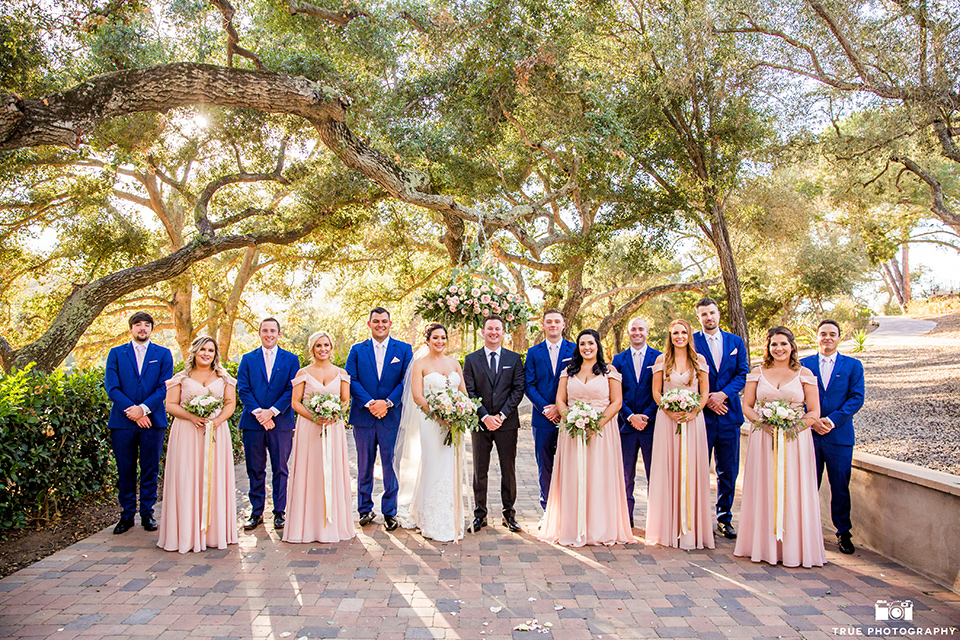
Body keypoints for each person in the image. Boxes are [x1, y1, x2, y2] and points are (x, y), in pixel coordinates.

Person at [735, 327, 825, 567]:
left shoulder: (805, 373)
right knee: (764, 486)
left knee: (793, 488)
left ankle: (793, 547)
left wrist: (793, 428)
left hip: (795, 440)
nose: (779, 349)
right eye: (774, 344)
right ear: (768, 347)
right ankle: (763, 546)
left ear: (792, 346)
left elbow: (814, 411)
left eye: (783, 344)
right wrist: (762, 424)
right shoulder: (757, 372)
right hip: (763, 438)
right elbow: (747, 406)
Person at [538, 329, 634, 547]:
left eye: (591, 343)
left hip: (602, 432)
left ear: (597, 345)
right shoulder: (568, 371)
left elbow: (617, 402)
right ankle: (572, 525)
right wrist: (571, 419)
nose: (587, 347)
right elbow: (560, 401)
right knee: (574, 476)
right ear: (577, 347)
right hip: (572, 432)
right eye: (582, 344)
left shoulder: (610, 371)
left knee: (599, 476)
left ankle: (600, 528)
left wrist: (595, 425)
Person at [158, 337, 238, 553]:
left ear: (215, 354)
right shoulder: (181, 378)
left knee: (214, 477)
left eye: (210, 350)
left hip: (215, 433)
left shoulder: (224, 378)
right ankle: (186, 533)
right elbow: (170, 405)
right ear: (194, 351)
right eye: (202, 349)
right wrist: (191, 417)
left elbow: (230, 404)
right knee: (186, 477)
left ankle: (213, 532)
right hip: (186, 433)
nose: (206, 353)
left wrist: (216, 422)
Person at [395, 323, 469, 541]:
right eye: (435, 338)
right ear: (427, 340)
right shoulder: (420, 364)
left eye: (443, 338)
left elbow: (463, 392)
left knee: (449, 468)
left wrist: (459, 412)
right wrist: (439, 416)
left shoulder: (455, 363)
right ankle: (429, 518)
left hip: (453, 424)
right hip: (431, 422)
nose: (440, 341)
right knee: (433, 465)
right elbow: (417, 396)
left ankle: (450, 516)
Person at [645, 318, 714, 550]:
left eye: (683, 332)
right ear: (670, 336)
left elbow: (705, 392)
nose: (679, 336)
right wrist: (667, 409)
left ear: (689, 335)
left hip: (693, 420)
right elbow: (656, 391)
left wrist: (695, 411)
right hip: (667, 420)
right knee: (668, 468)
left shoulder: (699, 361)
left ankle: (691, 527)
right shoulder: (661, 360)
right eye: (675, 333)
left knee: (691, 470)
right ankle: (667, 527)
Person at [104, 311, 174, 534]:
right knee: (125, 469)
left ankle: (147, 513)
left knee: (150, 468)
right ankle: (126, 515)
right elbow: (112, 387)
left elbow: (164, 387)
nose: (142, 328)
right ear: (131, 329)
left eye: (146, 325)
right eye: (138, 325)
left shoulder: (163, 354)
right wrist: (133, 412)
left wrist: (143, 410)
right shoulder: (116, 354)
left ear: (152, 329)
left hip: (153, 421)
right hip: (122, 423)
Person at [345, 307, 413, 532]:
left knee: (390, 465)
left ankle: (390, 511)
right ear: (369, 324)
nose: (380, 324)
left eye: (384, 321)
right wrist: (370, 403)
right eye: (376, 321)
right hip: (364, 416)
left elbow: (407, 380)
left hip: (391, 416)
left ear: (390, 323)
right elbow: (351, 379)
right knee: (364, 464)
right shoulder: (356, 350)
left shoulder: (403, 349)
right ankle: (365, 509)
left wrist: (388, 402)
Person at [283, 331, 355, 543]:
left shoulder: (341, 373)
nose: (322, 349)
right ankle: (307, 526)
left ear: (331, 348)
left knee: (332, 471)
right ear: (312, 349)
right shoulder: (302, 373)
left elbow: (345, 401)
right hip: (309, 428)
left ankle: (334, 524)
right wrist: (315, 417)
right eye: (318, 346)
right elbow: (295, 402)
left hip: (333, 427)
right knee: (310, 472)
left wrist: (334, 414)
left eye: (326, 345)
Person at [801, 320, 865, 555]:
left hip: (839, 436)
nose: (827, 337)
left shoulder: (853, 365)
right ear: (816, 337)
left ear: (839, 338)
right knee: (808, 485)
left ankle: (843, 532)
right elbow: (797, 397)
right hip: (809, 434)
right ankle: (806, 529)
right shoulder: (803, 365)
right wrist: (813, 421)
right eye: (823, 334)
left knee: (840, 486)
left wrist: (832, 420)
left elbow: (856, 398)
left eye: (832, 334)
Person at [463, 315, 526, 533]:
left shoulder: (514, 359)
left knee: (508, 470)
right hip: (480, 424)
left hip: (506, 424)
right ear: (483, 331)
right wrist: (484, 416)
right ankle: (480, 515)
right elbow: (469, 391)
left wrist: (501, 415)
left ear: (503, 332)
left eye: (497, 329)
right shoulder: (471, 359)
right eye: (489, 328)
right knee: (480, 471)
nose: (493, 332)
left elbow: (518, 390)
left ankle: (509, 515)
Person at [692, 298, 749, 540]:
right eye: (703, 314)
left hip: (729, 415)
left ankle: (724, 518)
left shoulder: (735, 342)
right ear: (698, 318)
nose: (708, 318)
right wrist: (707, 400)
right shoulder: (691, 341)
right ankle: (698, 518)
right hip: (701, 416)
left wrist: (723, 395)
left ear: (718, 314)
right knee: (698, 469)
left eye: (711, 313)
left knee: (728, 470)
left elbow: (742, 373)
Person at [236, 318, 301, 532]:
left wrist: (272, 412)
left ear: (279, 334)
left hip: (280, 423)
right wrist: (260, 414)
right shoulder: (247, 359)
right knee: (255, 469)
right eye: (265, 330)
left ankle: (280, 512)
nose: (269, 334)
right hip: (253, 424)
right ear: (259, 333)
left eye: (273, 330)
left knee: (280, 469)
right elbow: (244, 389)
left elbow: (292, 390)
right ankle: (256, 513)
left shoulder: (291, 360)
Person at [611, 317, 662, 527]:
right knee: (625, 475)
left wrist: (647, 416)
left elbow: (660, 391)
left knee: (655, 474)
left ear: (647, 331)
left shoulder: (659, 358)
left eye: (641, 329)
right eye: (633, 329)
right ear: (628, 333)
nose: (637, 332)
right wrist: (630, 416)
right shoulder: (618, 359)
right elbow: (614, 393)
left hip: (653, 426)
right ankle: (626, 516)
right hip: (626, 426)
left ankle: (656, 517)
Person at [524, 308, 576, 512]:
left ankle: (568, 509)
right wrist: (546, 408)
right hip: (542, 419)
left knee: (569, 464)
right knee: (544, 466)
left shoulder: (574, 351)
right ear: (543, 325)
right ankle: (547, 510)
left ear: (563, 325)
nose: (553, 325)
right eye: (549, 322)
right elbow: (529, 384)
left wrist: (561, 407)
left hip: (569, 417)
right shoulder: (533, 352)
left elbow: (578, 381)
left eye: (557, 321)